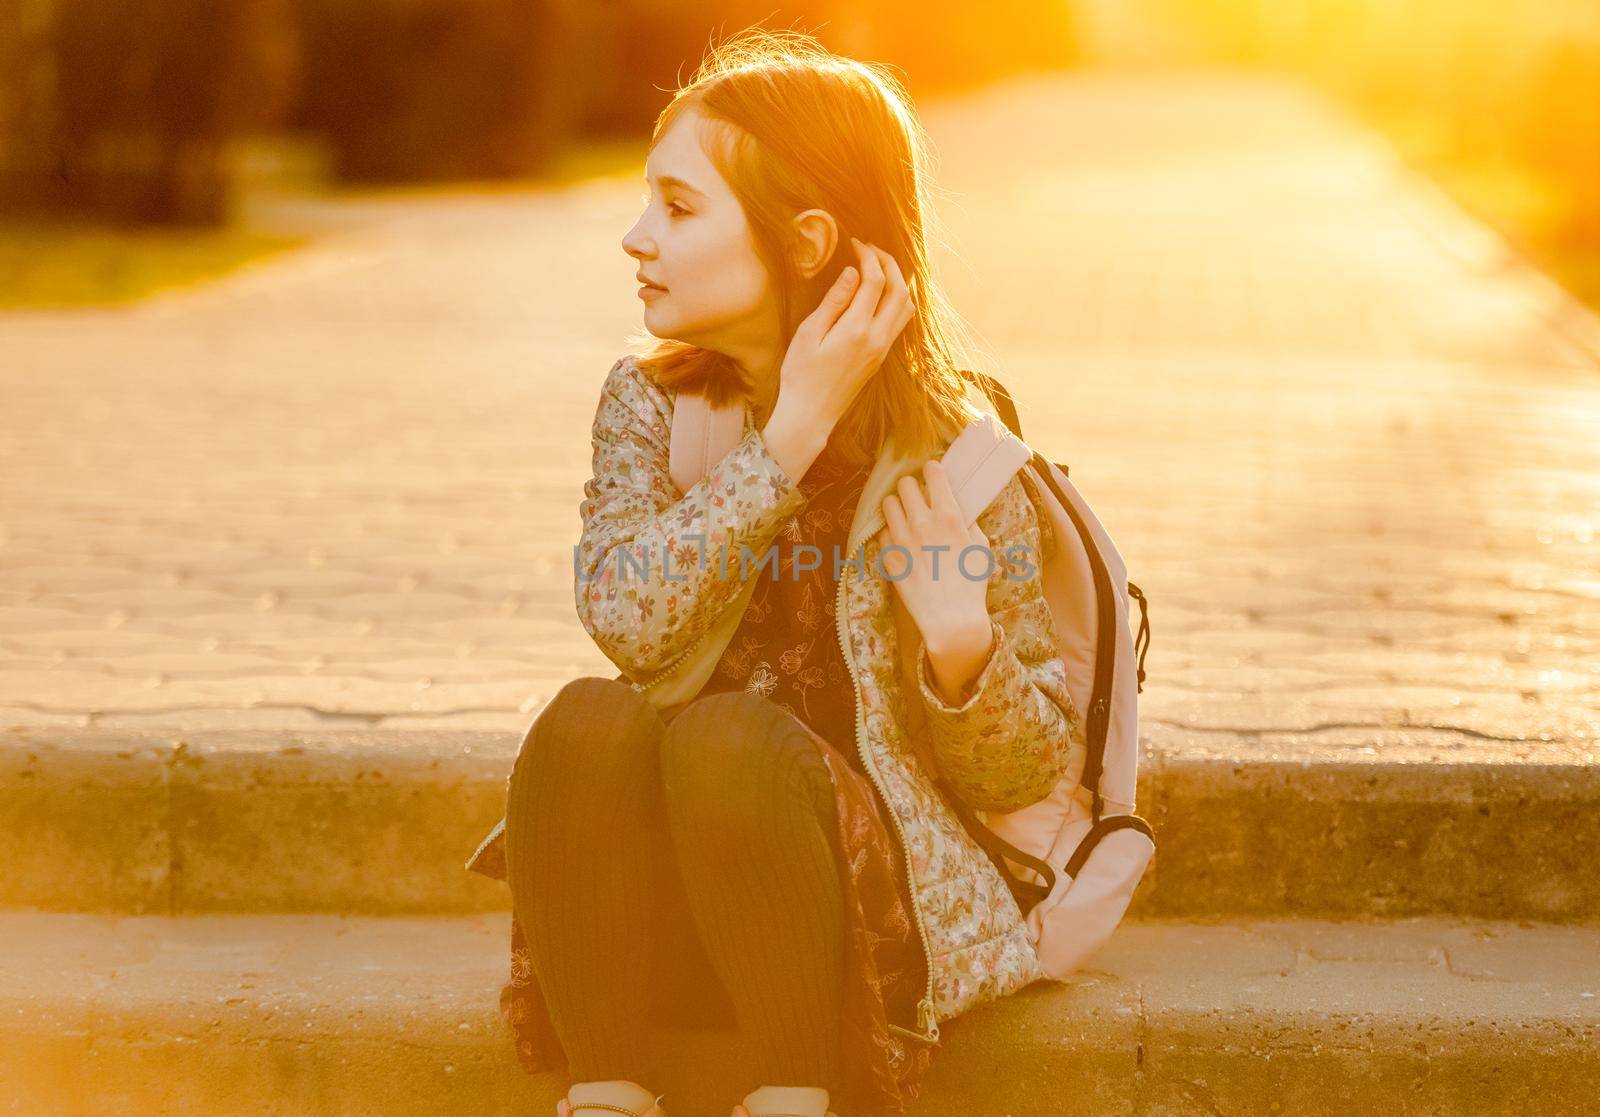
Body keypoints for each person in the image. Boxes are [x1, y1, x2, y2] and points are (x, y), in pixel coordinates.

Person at [469, 26, 1086, 1117]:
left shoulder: (957, 447)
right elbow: (625, 618)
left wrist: (960, 645)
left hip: (850, 935)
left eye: (678, 206)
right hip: (663, 922)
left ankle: (796, 1098)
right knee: (581, 722)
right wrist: (784, 443)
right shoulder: (650, 405)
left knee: (729, 742)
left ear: (803, 242)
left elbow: (1022, 775)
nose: (634, 237)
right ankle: (605, 1090)